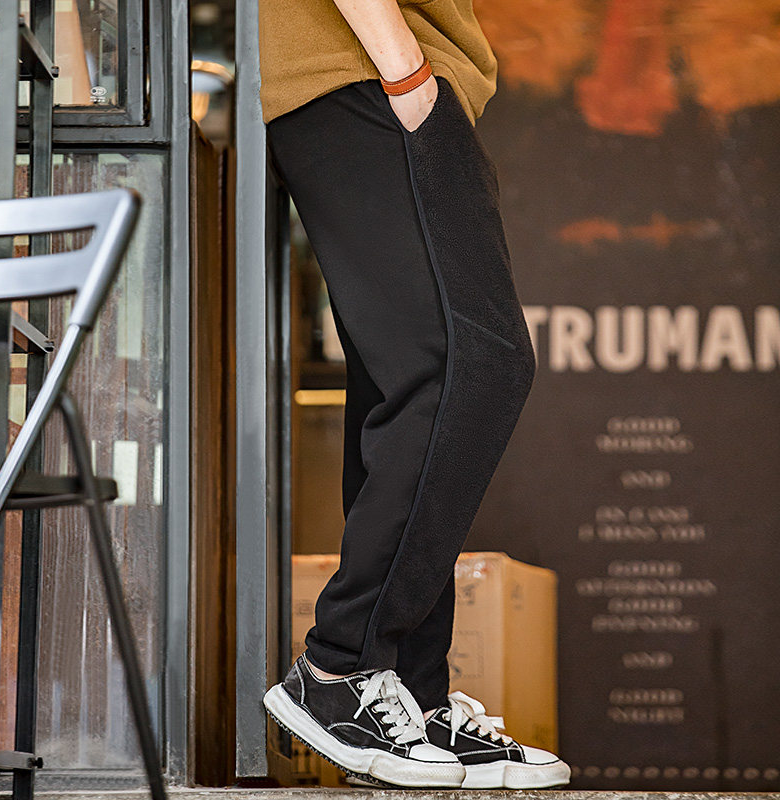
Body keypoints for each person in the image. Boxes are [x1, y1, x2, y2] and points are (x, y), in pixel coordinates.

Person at [258, 0, 570, 789]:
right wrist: (406, 73)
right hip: (366, 72)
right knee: (475, 364)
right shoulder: (382, 77)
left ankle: (408, 694)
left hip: (370, 76)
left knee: (407, 383)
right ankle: (340, 667)